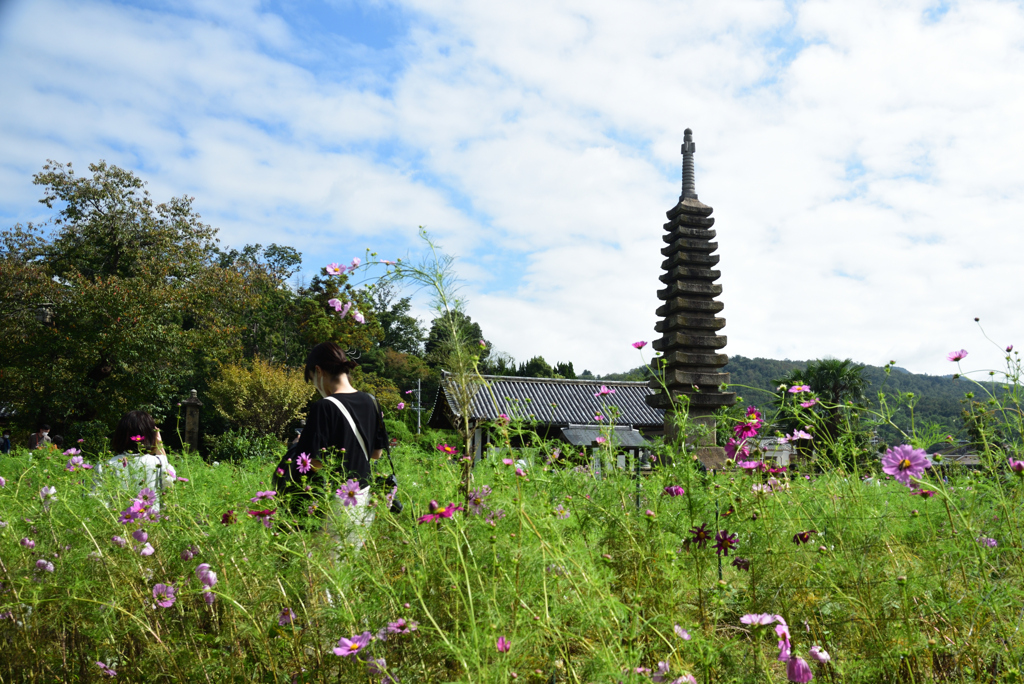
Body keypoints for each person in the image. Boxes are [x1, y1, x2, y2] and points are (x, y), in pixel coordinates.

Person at [293, 342, 389, 551]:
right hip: (363, 499)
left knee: (326, 572)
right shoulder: (371, 401)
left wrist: (299, 445)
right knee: (349, 567)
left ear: (318, 371)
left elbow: (313, 463)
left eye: (312, 380)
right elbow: (376, 453)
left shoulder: (324, 407)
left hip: (335, 504)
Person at [100, 411, 177, 503]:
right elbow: (170, 483)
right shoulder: (158, 463)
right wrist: (159, 446)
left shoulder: (106, 465)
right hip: (150, 516)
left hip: (117, 516)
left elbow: (96, 500)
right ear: (151, 436)